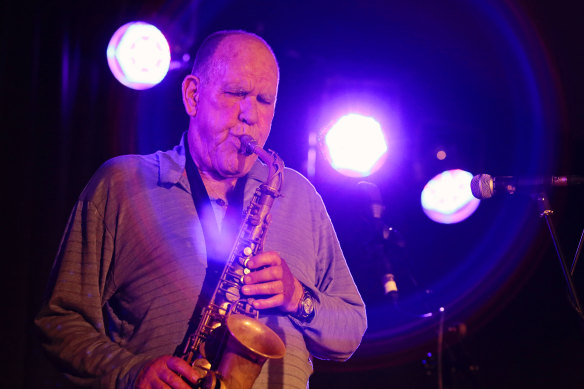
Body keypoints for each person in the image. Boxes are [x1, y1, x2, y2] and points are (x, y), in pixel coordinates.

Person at [35, 30, 367, 389]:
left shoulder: (299, 195)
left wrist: (298, 297)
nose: (249, 114)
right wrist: (130, 372)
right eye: (236, 93)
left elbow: (350, 331)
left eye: (264, 99)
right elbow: (59, 321)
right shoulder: (123, 183)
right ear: (193, 96)